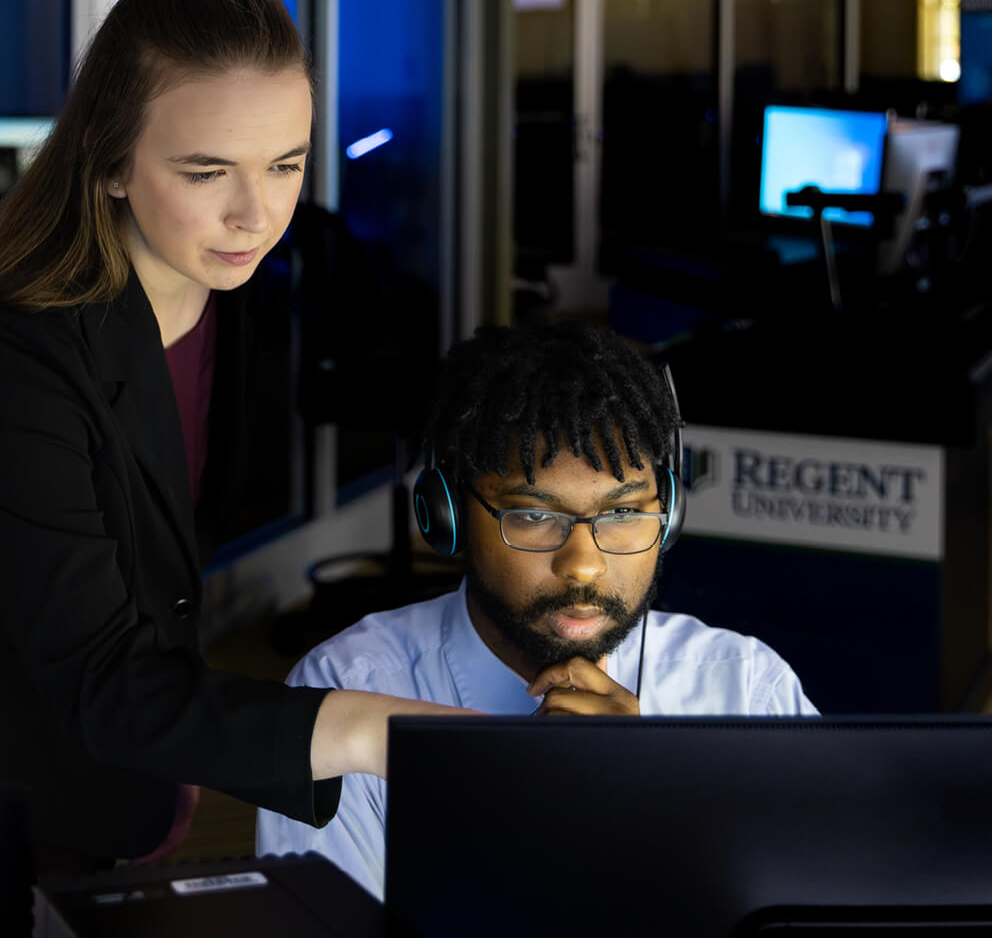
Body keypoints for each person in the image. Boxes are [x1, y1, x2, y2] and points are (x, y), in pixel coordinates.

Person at [0, 0, 466, 869]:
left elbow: (151, 590)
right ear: (110, 163)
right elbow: (102, 672)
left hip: (89, 763)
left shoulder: (243, 299)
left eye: (286, 165)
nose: (255, 214)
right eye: (207, 171)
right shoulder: (5, 353)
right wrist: (381, 731)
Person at [256, 321, 818, 898]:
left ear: (668, 515)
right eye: (533, 516)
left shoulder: (746, 691)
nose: (584, 565)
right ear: (448, 515)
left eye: (624, 514)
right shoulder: (346, 693)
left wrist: (654, 801)